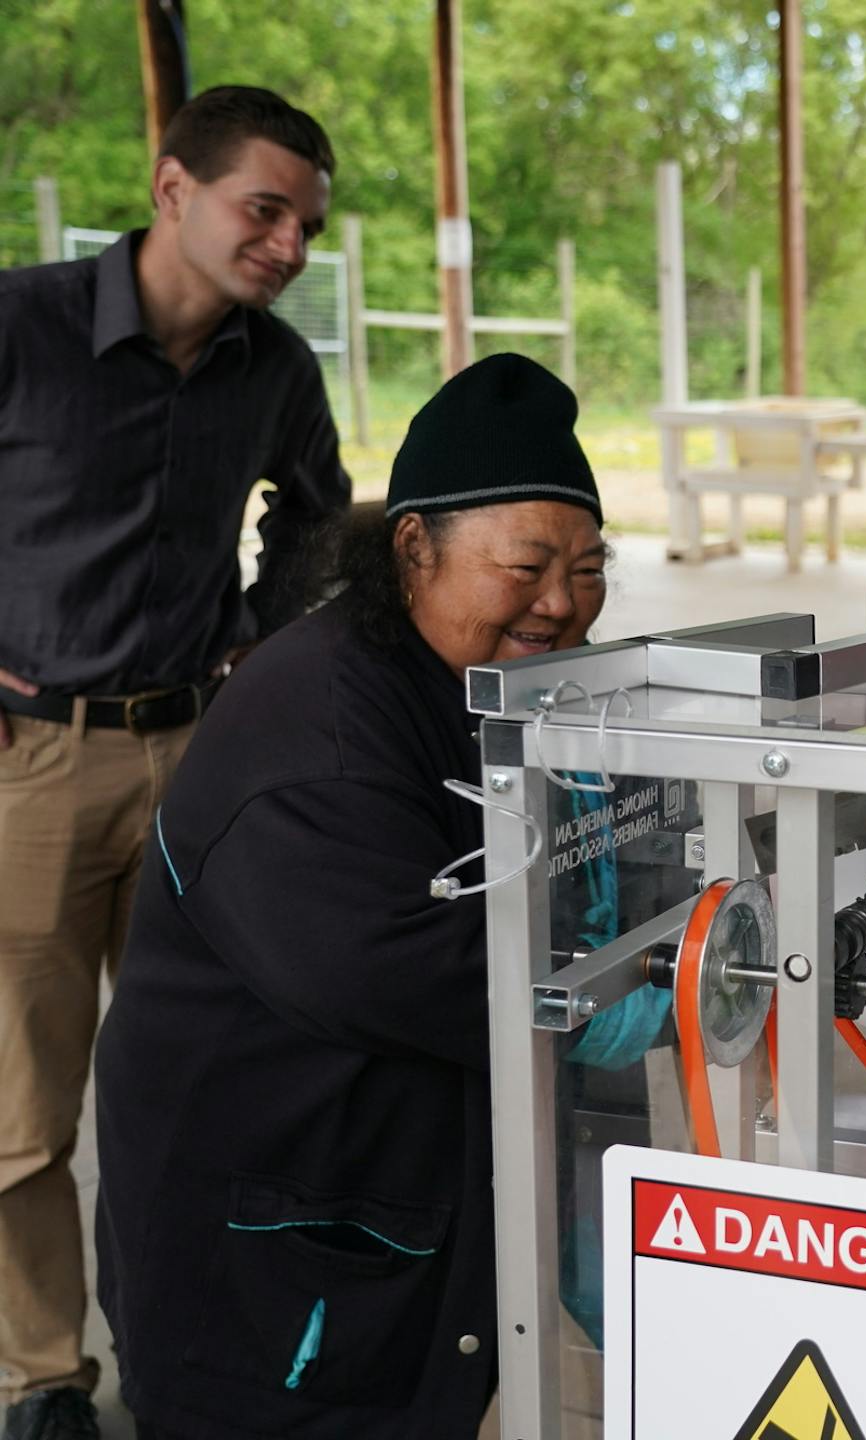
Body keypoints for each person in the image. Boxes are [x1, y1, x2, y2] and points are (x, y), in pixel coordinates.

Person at [92, 355, 644, 1440]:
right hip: (272, 1266)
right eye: (528, 565)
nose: (563, 602)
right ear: (412, 549)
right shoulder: (318, 736)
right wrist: (629, 988)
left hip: (387, 1208)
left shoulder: (463, 677)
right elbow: (411, 973)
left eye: (589, 566)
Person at [0, 85, 347, 1439]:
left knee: (201, 1087)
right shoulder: (21, 325)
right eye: (264, 212)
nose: (286, 247)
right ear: (171, 190)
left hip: (198, 766)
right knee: (25, 1107)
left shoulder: (279, 371)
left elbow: (318, 524)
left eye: (306, 227)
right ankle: (44, 1380)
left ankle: (184, 1361)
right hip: (30, 758)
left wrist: (253, 661)